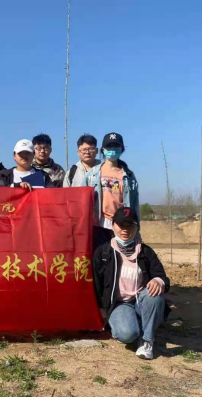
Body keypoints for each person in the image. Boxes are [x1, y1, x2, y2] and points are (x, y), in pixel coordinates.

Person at [93, 207, 170, 360]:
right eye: (121, 225)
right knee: (127, 334)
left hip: (141, 301)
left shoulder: (145, 252)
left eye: (130, 225)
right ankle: (139, 325)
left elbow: (161, 276)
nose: (125, 230)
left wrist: (158, 281)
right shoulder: (103, 252)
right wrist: (101, 309)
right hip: (119, 304)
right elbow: (97, 283)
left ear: (137, 227)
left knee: (154, 295)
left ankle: (147, 341)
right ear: (113, 226)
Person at [82, 132, 139, 250]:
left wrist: (136, 229)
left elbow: (134, 204)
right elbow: (82, 200)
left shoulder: (129, 176)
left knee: (119, 257)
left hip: (121, 225)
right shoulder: (92, 174)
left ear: (121, 149)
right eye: (109, 147)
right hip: (98, 225)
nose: (112, 150)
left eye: (116, 147)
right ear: (103, 149)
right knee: (100, 257)